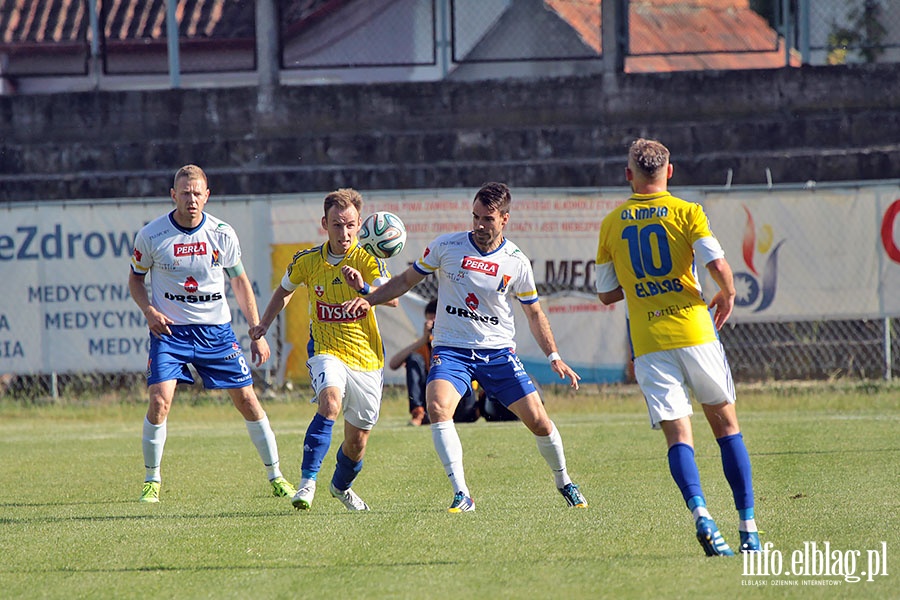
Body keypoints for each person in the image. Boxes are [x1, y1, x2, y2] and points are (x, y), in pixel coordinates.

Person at [344, 182, 587, 512]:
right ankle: (462, 493)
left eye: (487, 219)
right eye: (475, 217)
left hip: (498, 353)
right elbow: (404, 281)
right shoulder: (447, 246)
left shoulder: (516, 262)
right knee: (438, 407)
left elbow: (534, 313)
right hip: (452, 349)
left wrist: (554, 356)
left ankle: (565, 482)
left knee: (539, 421)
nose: (479, 225)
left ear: (504, 218)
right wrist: (369, 299)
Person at [594, 138, 760, 556]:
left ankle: (702, 514)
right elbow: (717, 265)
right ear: (670, 171)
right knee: (726, 428)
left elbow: (606, 293)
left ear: (628, 175)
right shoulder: (688, 212)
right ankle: (748, 529)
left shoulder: (612, 223)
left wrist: (639, 284)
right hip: (696, 332)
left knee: (678, 436)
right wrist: (729, 292)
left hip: (649, 342)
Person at [129, 164, 295, 504]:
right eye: (185, 193)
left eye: (197, 193)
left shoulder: (222, 233)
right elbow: (135, 279)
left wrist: (256, 330)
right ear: (173, 195)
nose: (191, 200)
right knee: (160, 400)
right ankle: (152, 480)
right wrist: (149, 311)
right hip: (170, 333)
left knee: (248, 401)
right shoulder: (152, 235)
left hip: (215, 333)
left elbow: (239, 281)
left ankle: (276, 475)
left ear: (208, 195)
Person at [249, 188, 397, 512]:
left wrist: (364, 289)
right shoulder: (308, 261)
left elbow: (393, 296)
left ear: (359, 225)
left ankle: (340, 486)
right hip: (326, 349)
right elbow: (284, 291)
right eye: (336, 225)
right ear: (324, 224)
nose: (343, 233)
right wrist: (263, 324)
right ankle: (307, 483)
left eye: (350, 225)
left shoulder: (367, 258)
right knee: (330, 402)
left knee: (357, 444)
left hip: (367, 359)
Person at [388, 298, 481, 426]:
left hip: (461, 399)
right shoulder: (424, 344)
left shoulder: (459, 338)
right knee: (413, 359)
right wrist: (423, 340)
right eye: (430, 322)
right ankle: (418, 412)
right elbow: (393, 364)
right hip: (435, 397)